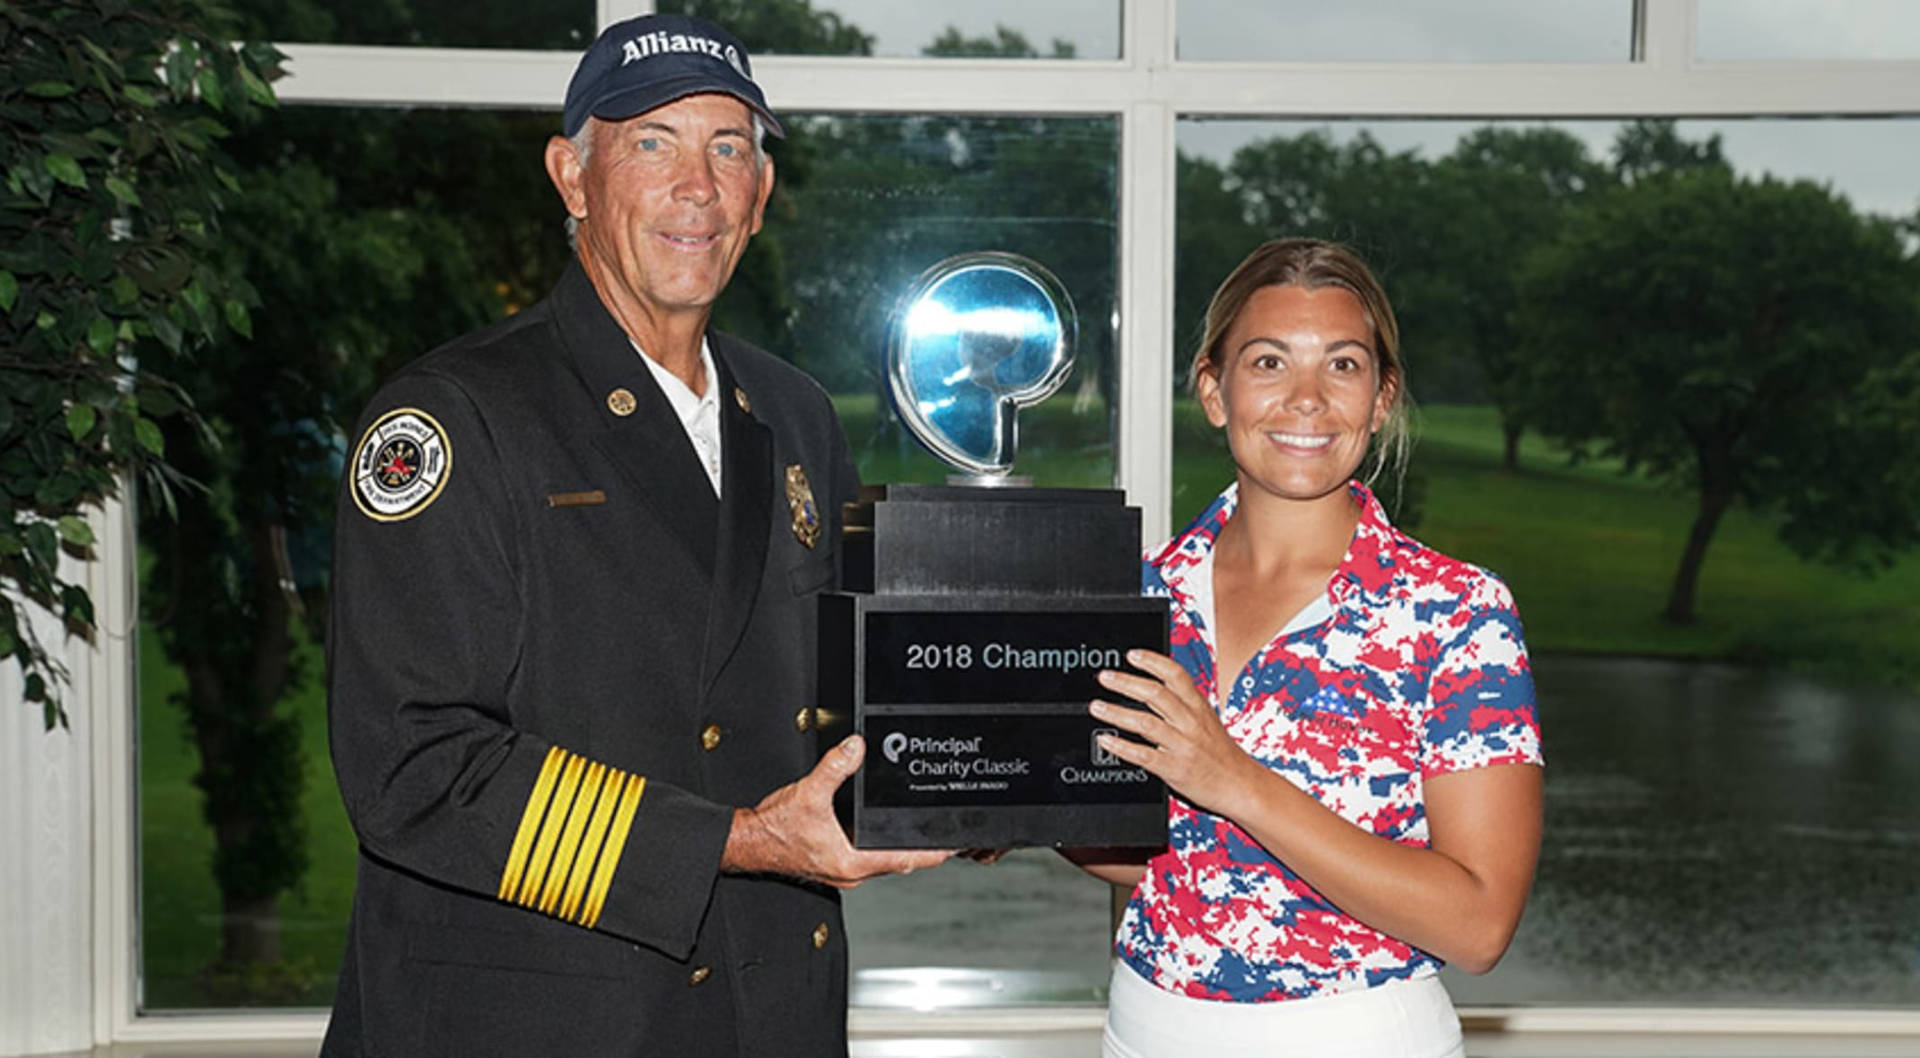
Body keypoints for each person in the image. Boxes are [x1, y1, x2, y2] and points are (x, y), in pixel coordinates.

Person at [319, 14, 946, 1058]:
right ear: (572, 175)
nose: (695, 187)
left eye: (728, 148)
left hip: (767, 1006)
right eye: (652, 143)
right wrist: (739, 841)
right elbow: (411, 764)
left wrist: (963, 773)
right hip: (540, 1015)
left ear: (761, 191)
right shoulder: (454, 417)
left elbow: (847, 676)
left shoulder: (791, 412)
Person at [1070, 238, 1544, 1058]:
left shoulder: (1457, 615)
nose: (1307, 400)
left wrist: (1237, 782)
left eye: (1344, 366)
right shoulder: (1136, 600)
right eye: (1267, 363)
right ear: (1214, 391)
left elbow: (1478, 924)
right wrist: (1006, 798)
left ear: (1382, 397)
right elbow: (1163, 858)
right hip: (1146, 1026)